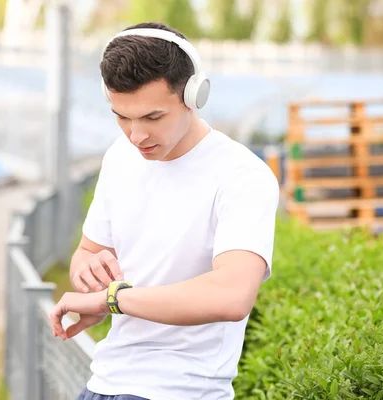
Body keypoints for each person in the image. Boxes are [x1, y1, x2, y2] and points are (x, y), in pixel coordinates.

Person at [49, 21, 280, 400]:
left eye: (152, 118)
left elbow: (232, 294)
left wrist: (111, 300)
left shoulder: (242, 175)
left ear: (194, 95)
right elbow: (88, 253)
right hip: (103, 383)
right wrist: (87, 274)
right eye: (121, 117)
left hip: (181, 390)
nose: (135, 136)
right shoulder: (120, 156)